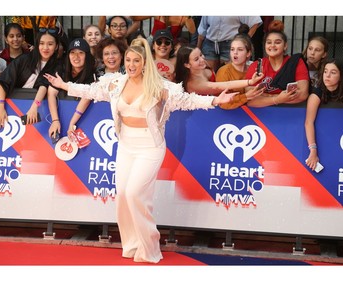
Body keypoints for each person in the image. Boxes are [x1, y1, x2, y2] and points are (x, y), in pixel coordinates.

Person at [44, 37, 238, 264]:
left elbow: (186, 100)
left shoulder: (159, 86)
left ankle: (150, 247)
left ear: (145, 62)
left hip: (150, 147)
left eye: (136, 60)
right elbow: (92, 91)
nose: (131, 64)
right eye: (128, 60)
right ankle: (132, 245)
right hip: (126, 144)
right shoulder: (116, 82)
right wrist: (65, 86)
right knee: (124, 196)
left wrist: (215, 101)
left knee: (135, 193)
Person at [0, 28, 61, 128]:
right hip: (12, 106)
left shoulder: (59, 65)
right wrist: (0, 106)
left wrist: (35, 106)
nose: (45, 48)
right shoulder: (23, 59)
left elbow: (44, 85)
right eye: (41, 43)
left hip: (37, 111)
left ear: (56, 47)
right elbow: (4, 80)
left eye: (50, 44)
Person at [66, 37, 127, 139]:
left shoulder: (128, 73)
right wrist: (72, 123)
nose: (111, 57)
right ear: (102, 57)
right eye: (106, 54)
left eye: (114, 53)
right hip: (97, 119)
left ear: (121, 55)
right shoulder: (95, 73)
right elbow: (87, 96)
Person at [175, 45, 264, 109]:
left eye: (201, 55)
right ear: (187, 65)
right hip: (199, 115)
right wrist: (249, 82)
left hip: (216, 107)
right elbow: (222, 85)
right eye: (196, 59)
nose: (202, 59)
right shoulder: (193, 83)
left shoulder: (204, 65)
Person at [245, 20, 310, 107]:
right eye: (268, 42)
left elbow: (302, 95)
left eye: (277, 42)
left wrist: (266, 96)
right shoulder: (257, 65)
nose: (272, 45)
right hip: (261, 115)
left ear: (285, 46)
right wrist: (278, 99)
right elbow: (251, 99)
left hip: (289, 113)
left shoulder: (296, 62)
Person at [47, 38, 96, 140]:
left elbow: (86, 98)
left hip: (82, 119)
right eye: (72, 53)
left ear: (87, 55)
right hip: (60, 116)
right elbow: (51, 93)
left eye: (81, 53)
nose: (76, 57)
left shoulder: (92, 74)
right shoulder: (61, 69)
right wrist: (55, 120)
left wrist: (72, 124)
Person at [305, 58, 343, 171]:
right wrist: (313, 150)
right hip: (324, 140)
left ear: (341, 76)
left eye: (333, 72)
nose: (327, 75)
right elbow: (308, 122)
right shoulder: (317, 92)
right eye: (325, 71)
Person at [197, 16, 262, 72]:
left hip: (230, 44)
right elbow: (202, 29)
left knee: (229, 73)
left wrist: (244, 40)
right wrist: (197, 49)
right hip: (210, 43)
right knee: (208, 72)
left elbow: (255, 21)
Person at [216, 25, 254, 94]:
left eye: (240, 49)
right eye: (232, 49)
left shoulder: (252, 70)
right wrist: (246, 97)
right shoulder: (224, 71)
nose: (235, 52)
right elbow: (223, 100)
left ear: (248, 53)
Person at [131, 16, 196, 43]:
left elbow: (193, 31)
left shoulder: (183, 17)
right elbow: (134, 17)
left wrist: (188, 18)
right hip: (153, 40)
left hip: (171, 43)